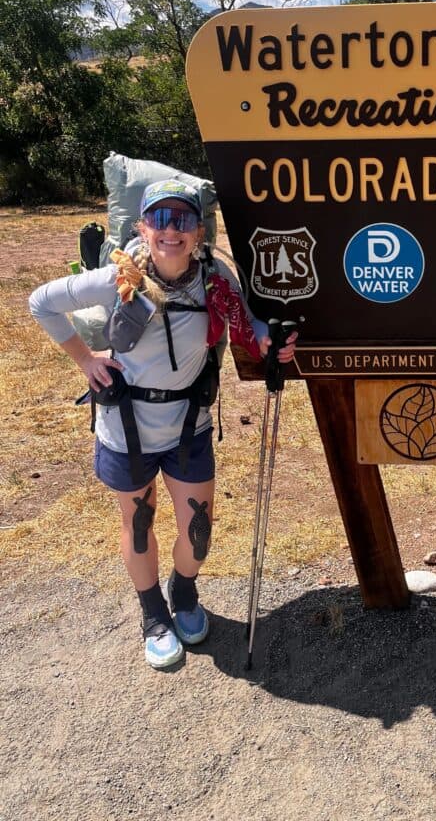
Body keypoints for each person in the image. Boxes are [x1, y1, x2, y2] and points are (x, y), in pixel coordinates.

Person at [29, 179, 297, 669]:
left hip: (187, 425)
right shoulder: (118, 281)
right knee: (139, 524)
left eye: (184, 220)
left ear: (198, 232)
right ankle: (153, 613)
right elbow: (41, 302)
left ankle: (185, 593)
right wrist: (86, 360)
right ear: (143, 227)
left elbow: (249, 326)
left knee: (200, 529)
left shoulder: (216, 280)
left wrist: (269, 340)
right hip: (126, 428)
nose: (172, 231)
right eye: (161, 219)